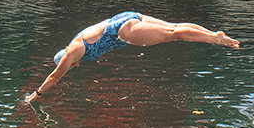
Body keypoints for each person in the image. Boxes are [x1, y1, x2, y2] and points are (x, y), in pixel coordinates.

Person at [26, 12, 240, 102]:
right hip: (125, 16)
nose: (74, 66)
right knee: (173, 27)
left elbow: (55, 76)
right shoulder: (75, 41)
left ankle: (215, 39)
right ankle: (213, 34)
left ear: (67, 60)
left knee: (173, 36)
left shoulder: (72, 53)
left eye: (71, 65)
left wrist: (37, 93)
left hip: (121, 31)